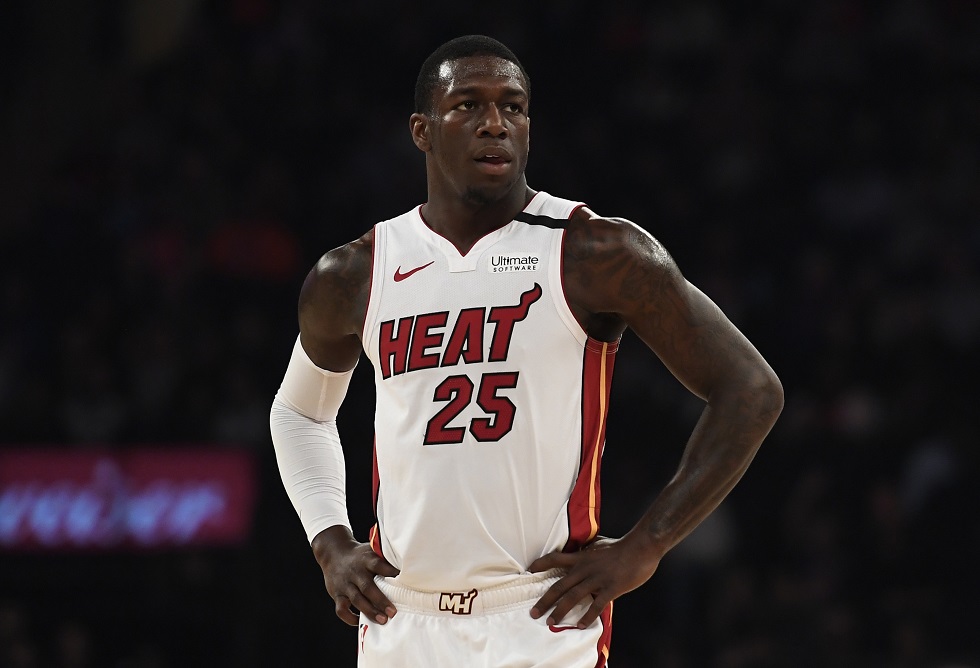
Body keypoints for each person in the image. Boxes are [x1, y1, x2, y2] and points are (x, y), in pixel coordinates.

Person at [270, 34, 783, 667]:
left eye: (512, 107)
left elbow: (750, 390)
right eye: (468, 105)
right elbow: (298, 414)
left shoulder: (594, 252)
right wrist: (330, 544)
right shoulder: (355, 272)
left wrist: (646, 546)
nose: (495, 123)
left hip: (539, 616)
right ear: (422, 130)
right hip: (400, 617)